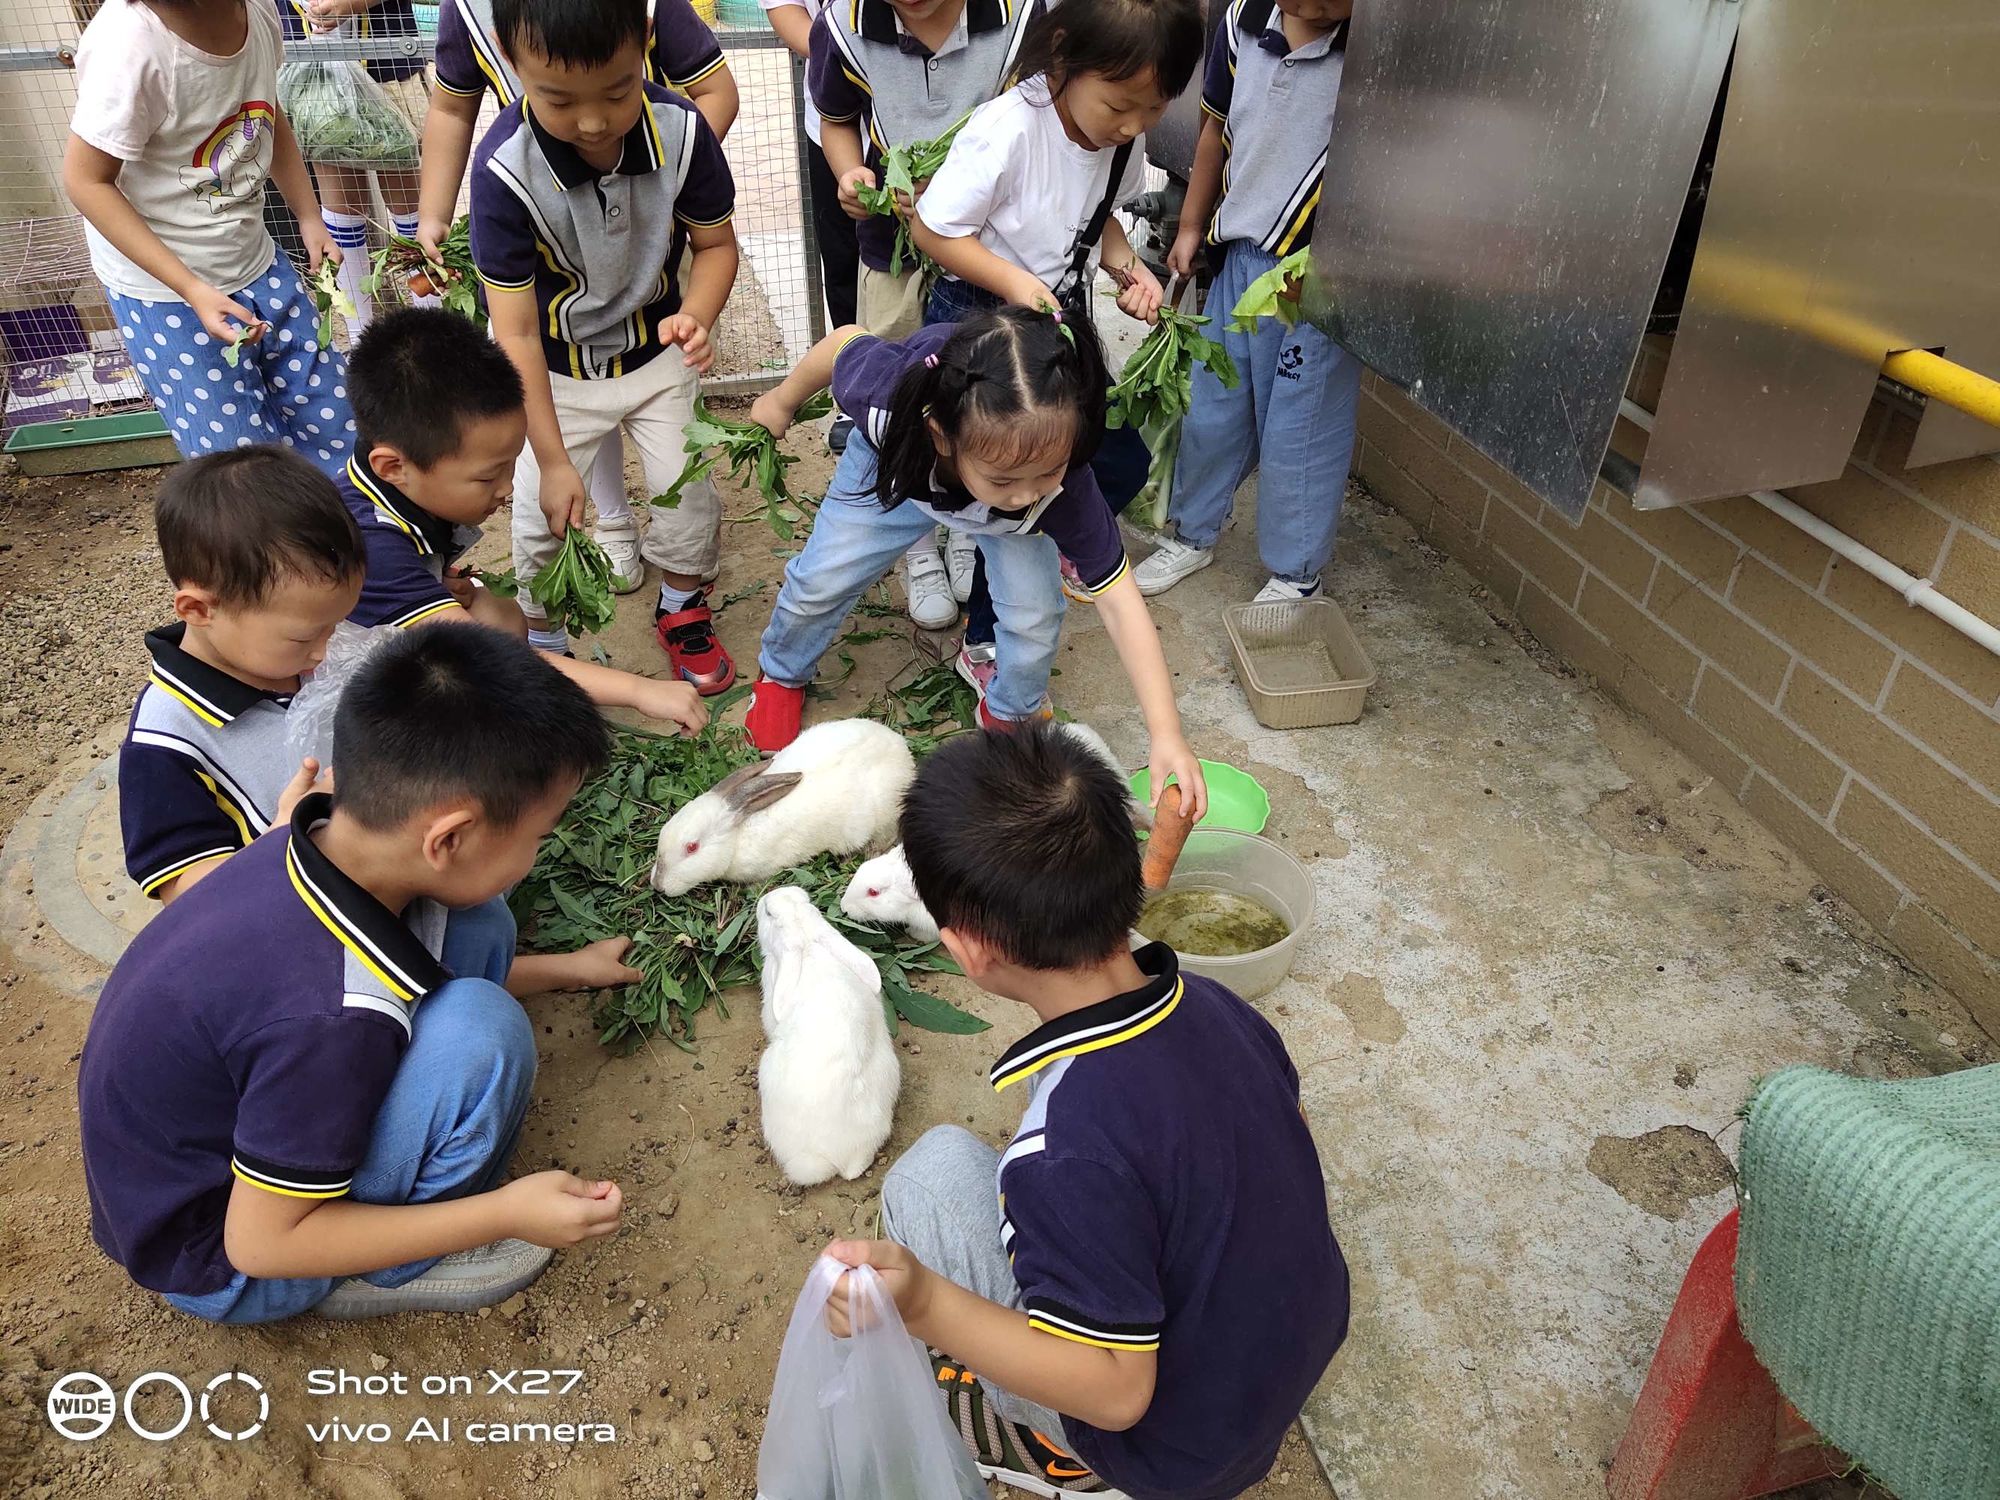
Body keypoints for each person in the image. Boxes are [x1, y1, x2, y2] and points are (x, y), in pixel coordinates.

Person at [821, 724, 1348, 1498]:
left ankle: (1067, 1463)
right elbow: (1288, 1134)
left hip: (1176, 1454)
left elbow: (1117, 1392)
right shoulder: (1216, 1004)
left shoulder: (1064, 1154)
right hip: (1290, 1354)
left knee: (929, 1178)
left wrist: (924, 1302)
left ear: (965, 950)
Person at [81, 626, 642, 1324]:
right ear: (448, 839)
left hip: (198, 1161)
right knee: (485, 1034)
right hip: (225, 1262)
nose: (538, 851)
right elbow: (257, 1244)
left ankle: (361, 1169)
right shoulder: (332, 1016)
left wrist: (570, 970)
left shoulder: (305, 837)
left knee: (478, 923)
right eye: (537, 835)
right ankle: (387, 1265)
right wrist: (502, 1211)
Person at [741, 307, 1208, 818]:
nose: (1027, 492)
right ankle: (782, 671)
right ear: (943, 435)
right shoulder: (885, 398)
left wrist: (1167, 734)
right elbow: (843, 343)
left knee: (1035, 616)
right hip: (898, 473)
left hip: (1008, 519)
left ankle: (1011, 711)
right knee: (822, 578)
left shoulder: (1057, 487)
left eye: (1051, 470)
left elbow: (1119, 601)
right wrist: (781, 400)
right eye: (1008, 480)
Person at [911, 0, 1202, 700]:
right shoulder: (1009, 129)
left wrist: (1132, 272)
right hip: (981, 322)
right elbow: (933, 229)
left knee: (1116, 458)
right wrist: (1016, 282)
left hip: (1056, 322)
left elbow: (1101, 222)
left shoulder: (1119, 142)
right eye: (1120, 106)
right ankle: (982, 642)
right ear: (1065, 55)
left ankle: (1051, 541)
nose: (1133, 126)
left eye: (1153, 110)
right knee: (1010, 494)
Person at [419, 0, 740, 595]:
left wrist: (697, 314)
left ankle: (682, 606)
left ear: (644, 40)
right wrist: (554, 459)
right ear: (509, 57)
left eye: (617, 93)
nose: (593, 122)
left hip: (657, 351)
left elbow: (717, 244)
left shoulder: (684, 129)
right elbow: (513, 332)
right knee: (545, 519)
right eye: (560, 100)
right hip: (555, 369)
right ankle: (545, 639)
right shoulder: (505, 170)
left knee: (689, 496)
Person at [337, 310, 710, 730]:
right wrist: (640, 691)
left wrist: (454, 590)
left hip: (392, 645)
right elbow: (483, 656)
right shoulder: (371, 547)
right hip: (345, 697)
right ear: (392, 466)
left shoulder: (400, 489)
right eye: (487, 475)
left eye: (511, 466)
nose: (507, 488)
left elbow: (499, 629)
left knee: (500, 617)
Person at [808, 0, 1042, 632]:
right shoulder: (843, 27)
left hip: (982, 250)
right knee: (895, 387)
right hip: (890, 248)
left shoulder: (1021, 19)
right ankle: (918, 550)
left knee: (973, 386)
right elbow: (836, 121)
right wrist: (850, 172)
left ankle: (963, 522)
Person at [62, 0, 357, 475]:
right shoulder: (130, 43)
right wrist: (191, 288)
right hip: (168, 294)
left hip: (255, 258)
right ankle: (270, 550)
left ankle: (356, 540)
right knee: (238, 461)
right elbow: (85, 181)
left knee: (331, 418)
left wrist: (308, 214)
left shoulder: (258, 12)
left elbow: (265, 113)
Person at [1138, 0, 1362, 603]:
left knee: (1301, 424)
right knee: (1214, 403)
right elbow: (1216, 128)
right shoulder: (1243, 21)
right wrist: (1190, 225)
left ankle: (1296, 574)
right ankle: (1192, 533)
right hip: (1240, 252)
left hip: (1315, 276)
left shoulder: (1371, 44)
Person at [119, 446, 361, 903]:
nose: (327, 648)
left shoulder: (300, 654)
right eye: (305, 637)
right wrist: (281, 843)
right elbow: (186, 895)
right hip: (293, 926)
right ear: (198, 609)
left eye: (337, 625)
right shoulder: (168, 739)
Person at [276, 0, 430, 333]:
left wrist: (351, 3)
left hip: (388, 59)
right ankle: (361, 335)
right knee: (339, 198)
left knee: (410, 201)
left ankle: (432, 324)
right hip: (315, 67)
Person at [758, 0, 859, 451]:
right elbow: (787, 12)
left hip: (932, 124)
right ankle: (857, 395)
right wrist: (845, 53)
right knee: (844, 262)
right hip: (834, 120)